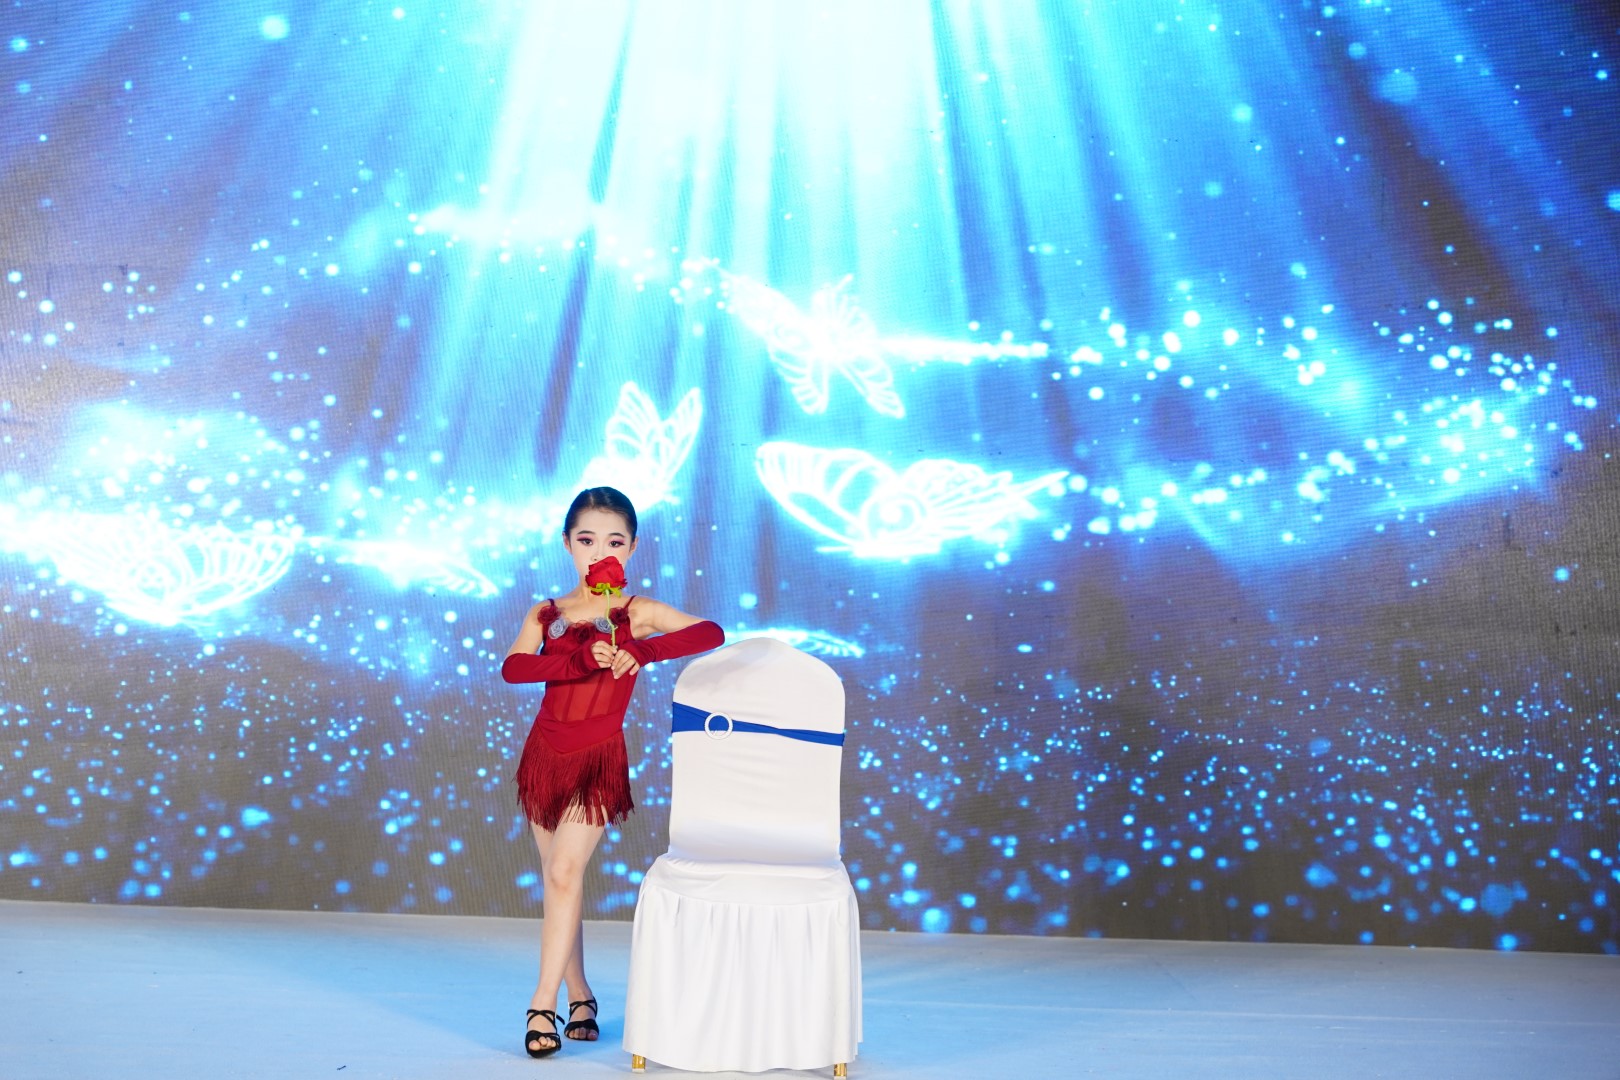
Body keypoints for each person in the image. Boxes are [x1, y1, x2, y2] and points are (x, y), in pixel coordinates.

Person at [501, 486, 724, 1058]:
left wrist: (644, 651)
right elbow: (514, 668)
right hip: (545, 755)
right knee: (559, 878)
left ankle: (541, 1003)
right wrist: (575, 660)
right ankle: (580, 994)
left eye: (614, 541)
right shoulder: (548, 612)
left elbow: (711, 632)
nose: (599, 550)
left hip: (598, 755)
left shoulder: (635, 613)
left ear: (632, 548)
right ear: (567, 544)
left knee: (564, 871)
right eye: (587, 539)